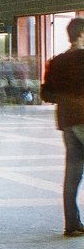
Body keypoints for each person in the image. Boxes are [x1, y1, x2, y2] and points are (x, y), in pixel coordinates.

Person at [41, 17, 84, 237]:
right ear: (81, 35)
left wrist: (65, 97)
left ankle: (72, 223)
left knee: (73, 174)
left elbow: (46, 94)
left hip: (67, 122)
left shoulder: (56, 61)